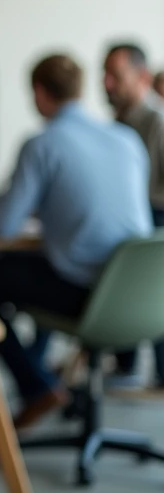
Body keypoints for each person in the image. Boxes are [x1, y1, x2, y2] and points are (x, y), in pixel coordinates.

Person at [0, 54, 151, 430]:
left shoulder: (43, 143)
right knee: (45, 265)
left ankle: (37, 385)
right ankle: (44, 377)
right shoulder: (127, 139)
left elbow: (3, 227)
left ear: (38, 92)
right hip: (142, 294)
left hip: (85, 293)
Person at [102, 42, 164, 388]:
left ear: (141, 77)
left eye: (116, 75)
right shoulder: (118, 123)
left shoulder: (157, 121)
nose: (107, 83)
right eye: (105, 74)